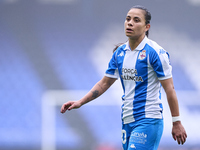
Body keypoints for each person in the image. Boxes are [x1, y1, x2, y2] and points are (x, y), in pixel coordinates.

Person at [61, 5, 187, 150]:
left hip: (148, 120)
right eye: (127, 19)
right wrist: (80, 102)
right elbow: (104, 83)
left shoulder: (155, 53)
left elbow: (170, 89)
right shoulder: (119, 53)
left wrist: (176, 121)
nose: (130, 23)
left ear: (147, 27)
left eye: (136, 20)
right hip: (127, 120)